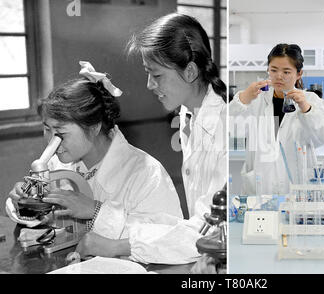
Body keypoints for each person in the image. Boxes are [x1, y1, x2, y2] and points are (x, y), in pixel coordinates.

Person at [74, 13, 227, 269]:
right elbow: (188, 225)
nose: (149, 85)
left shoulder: (226, 129)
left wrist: (119, 245)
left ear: (190, 71)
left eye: (156, 75)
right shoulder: (189, 116)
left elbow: (210, 232)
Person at [6, 61, 182, 240]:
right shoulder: (58, 161)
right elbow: (45, 220)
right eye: (46, 129)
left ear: (94, 127)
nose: (51, 141)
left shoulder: (145, 173)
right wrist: (24, 204)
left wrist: (95, 211)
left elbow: (166, 238)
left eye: (60, 133)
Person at [229, 43, 324, 196]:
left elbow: (323, 137)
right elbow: (230, 129)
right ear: (268, 70)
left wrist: (306, 108)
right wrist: (244, 98)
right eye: (274, 70)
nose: (279, 76)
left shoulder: (310, 100)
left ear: (299, 74)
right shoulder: (256, 100)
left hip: (297, 188)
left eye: (286, 71)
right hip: (260, 186)